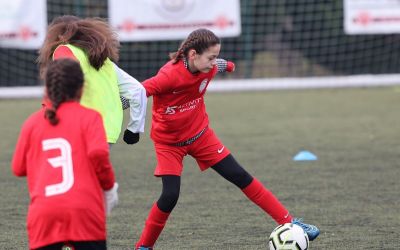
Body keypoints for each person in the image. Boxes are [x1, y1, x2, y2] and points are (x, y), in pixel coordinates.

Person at [134, 28, 320, 249]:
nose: (214, 62)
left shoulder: (209, 67)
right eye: (211, 57)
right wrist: (118, 105)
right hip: (169, 144)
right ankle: (144, 246)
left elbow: (221, 64)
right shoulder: (168, 76)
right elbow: (138, 92)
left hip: (201, 136)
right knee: (170, 195)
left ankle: (289, 222)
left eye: (216, 57)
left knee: (240, 176)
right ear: (193, 55)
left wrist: (229, 65)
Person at [11, 59, 118, 250]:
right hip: (84, 209)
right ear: (81, 88)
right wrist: (109, 187)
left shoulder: (32, 122)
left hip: (44, 212)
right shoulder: (90, 117)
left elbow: (18, 168)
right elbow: (99, 153)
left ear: (48, 88)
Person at [37, 15, 147, 145]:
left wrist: (48, 109)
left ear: (59, 35)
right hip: (109, 131)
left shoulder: (64, 49)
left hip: (82, 127)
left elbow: (64, 79)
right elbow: (137, 90)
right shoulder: (104, 60)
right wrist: (134, 129)